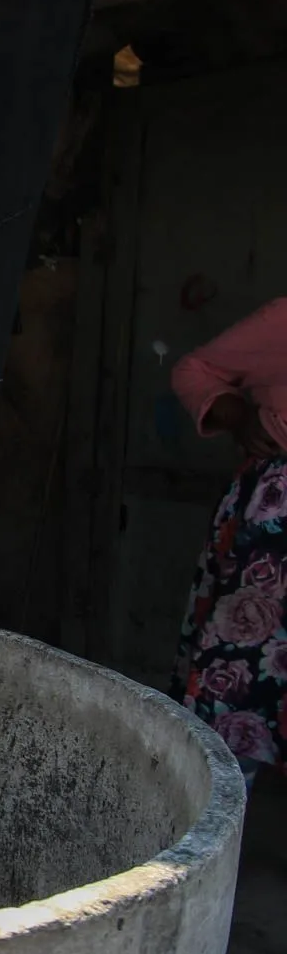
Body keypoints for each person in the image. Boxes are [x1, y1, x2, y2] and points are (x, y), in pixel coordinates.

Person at [171, 298, 287, 784]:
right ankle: (212, 841)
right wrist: (238, 415)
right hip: (274, 533)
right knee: (242, 686)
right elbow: (192, 370)